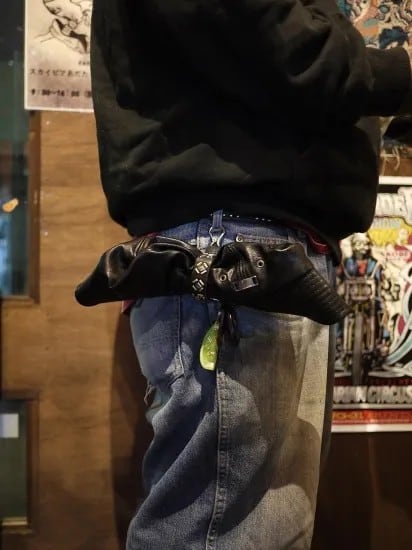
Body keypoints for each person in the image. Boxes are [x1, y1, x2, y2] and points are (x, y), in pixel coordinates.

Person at [88, 0, 412, 548]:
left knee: (253, 526)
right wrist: (398, 72)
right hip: (239, 252)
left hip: (254, 250)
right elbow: (269, 33)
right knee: (232, 530)